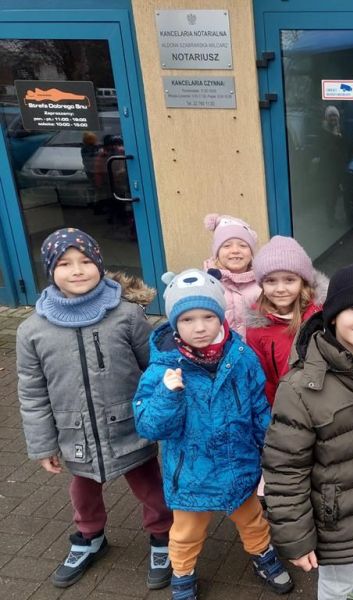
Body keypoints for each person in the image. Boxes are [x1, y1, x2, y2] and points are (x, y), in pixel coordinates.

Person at [16, 228, 173, 590]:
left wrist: (162, 415)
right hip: (76, 434)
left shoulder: (126, 315)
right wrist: (42, 445)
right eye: (65, 263)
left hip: (130, 427)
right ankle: (90, 537)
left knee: (151, 488)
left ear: (99, 265)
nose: (77, 270)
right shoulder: (31, 330)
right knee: (82, 493)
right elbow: (32, 392)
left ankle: (163, 535)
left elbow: (154, 369)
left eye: (85, 261)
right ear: (50, 270)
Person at [133, 269, 293, 600]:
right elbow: (149, 426)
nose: (200, 327)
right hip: (192, 474)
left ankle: (262, 554)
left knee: (253, 518)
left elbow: (258, 408)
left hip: (238, 465)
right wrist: (167, 395)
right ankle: (183, 573)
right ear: (174, 323)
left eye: (208, 316)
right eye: (187, 319)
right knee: (186, 532)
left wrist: (271, 448)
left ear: (220, 316)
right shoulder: (162, 370)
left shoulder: (242, 358)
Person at [262, 261, 353, 600]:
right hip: (335, 522)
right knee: (337, 586)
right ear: (332, 315)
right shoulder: (302, 386)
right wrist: (297, 538)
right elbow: (285, 470)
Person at [246, 235, 328, 406]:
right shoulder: (257, 328)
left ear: (303, 281)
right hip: (287, 404)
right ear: (262, 285)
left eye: (289, 280)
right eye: (271, 281)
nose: (280, 289)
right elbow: (265, 378)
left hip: (324, 401)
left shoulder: (322, 316)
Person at [203, 213, 260, 340]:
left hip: (256, 349)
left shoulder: (262, 283)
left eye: (243, 245)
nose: (235, 250)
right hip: (222, 349)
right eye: (227, 245)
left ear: (251, 252)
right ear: (217, 253)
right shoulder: (207, 284)